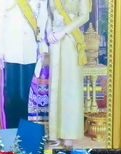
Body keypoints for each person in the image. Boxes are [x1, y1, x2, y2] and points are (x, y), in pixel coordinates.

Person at [0, 0, 49, 128]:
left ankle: (23, 133)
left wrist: (42, 46)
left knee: (27, 95)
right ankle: (11, 132)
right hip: (10, 50)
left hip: (31, 49)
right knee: (11, 94)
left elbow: (42, 19)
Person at [46, 0, 90, 145]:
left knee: (69, 88)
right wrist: (49, 31)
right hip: (55, 42)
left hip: (71, 41)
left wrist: (63, 32)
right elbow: (49, 15)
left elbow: (84, 16)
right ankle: (55, 134)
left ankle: (68, 134)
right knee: (55, 86)